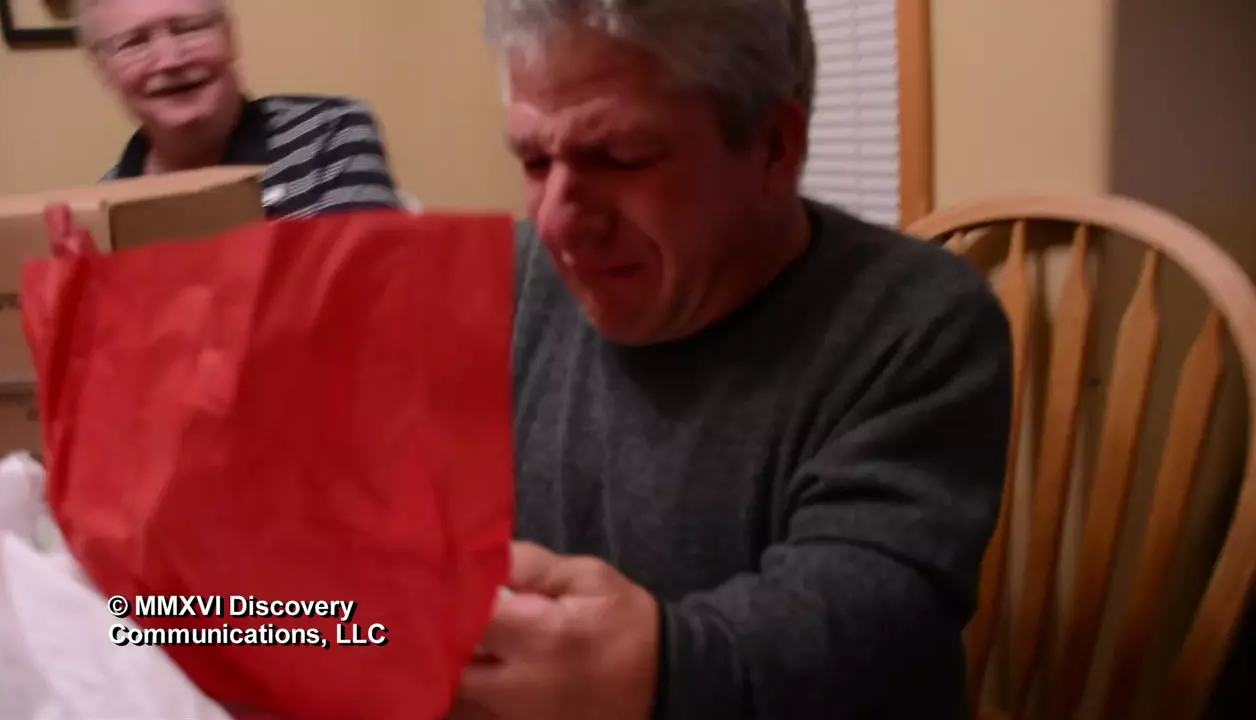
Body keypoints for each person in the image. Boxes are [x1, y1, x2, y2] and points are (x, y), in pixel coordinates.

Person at [453, 1, 1014, 719]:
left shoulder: (918, 323)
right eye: (534, 160)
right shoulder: (501, 283)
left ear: (774, 147)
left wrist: (652, 671)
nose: (559, 223)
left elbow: (865, 625)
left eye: (620, 157)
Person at [76, 0, 415, 219]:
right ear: (104, 70)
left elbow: (365, 293)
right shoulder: (98, 210)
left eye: (189, 29)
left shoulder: (331, 134)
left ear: (230, 37)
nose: (170, 60)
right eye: (135, 42)